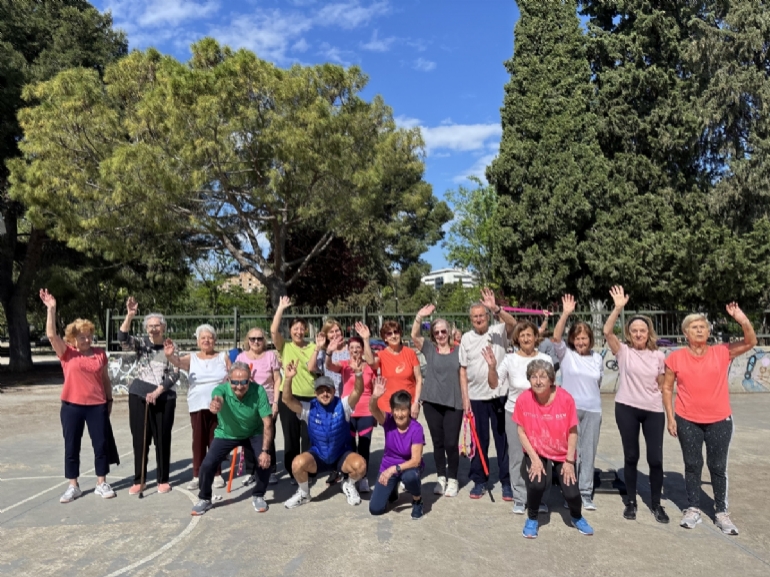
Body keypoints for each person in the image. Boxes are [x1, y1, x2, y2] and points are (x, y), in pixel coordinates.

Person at [662, 303, 756, 535]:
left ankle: (721, 512)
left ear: (709, 331)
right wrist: (670, 418)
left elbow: (751, 342)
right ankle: (693, 508)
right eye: (694, 327)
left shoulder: (721, 352)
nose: (700, 330)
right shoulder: (675, 358)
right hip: (687, 419)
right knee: (692, 465)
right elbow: (666, 389)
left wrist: (742, 319)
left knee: (717, 466)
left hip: (719, 420)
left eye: (703, 326)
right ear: (686, 333)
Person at [40, 289, 116, 503]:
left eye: (89, 334)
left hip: (97, 405)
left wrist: (109, 400)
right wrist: (51, 310)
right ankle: (73, 485)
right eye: (81, 336)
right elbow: (51, 335)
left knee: (100, 444)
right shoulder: (66, 353)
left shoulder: (100, 354)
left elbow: (105, 379)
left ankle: (102, 482)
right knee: (71, 445)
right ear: (73, 339)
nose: (86, 338)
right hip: (71, 406)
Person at [602, 286, 668, 523]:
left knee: (656, 459)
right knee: (631, 457)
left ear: (648, 332)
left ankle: (656, 504)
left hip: (653, 411)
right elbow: (607, 330)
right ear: (629, 333)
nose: (639, 334)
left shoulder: (659, 356)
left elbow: (661, 384)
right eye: (634, 330)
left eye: (642, 330)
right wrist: (618, 307)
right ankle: (630, 501)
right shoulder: (624, 352)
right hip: (626, 408)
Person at [514, 359, 594, 538]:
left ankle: (577, 517)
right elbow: (521, 431)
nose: (538, 381)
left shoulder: (565, 399)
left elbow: (573, 431)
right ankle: (532, 519)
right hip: (537, 449)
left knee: (572, 493)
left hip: (562, 451)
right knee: (536, 483)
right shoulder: (524, 399)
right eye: (533, 377)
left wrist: (569, 460)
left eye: (543, 377)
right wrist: (534, 459)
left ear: (551, 380)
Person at [191, 362, 274, 515]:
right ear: (228, 380)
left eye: (244, 382)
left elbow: (267, 422)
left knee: (265, 462)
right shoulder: (220, 390)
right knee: (207, 465)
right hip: (227, 434)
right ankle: (205, 498)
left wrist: (265, 451)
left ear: (250, 380)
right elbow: (218, 399)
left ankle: (258, 495)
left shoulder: (259, 391)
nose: (239, 386)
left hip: (253, 432)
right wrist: (216, 403)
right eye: (235, 382)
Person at [281, 361, 367, 508]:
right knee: (297, 464)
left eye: (328, 390)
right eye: (320, 391)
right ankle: (304, 493)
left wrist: (358, 374)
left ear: (334, 391)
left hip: (341, 455)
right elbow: (287, 400)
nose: (324, 394)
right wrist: (288, 379)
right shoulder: (309, 408)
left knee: (360, 466)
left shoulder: (343, 405)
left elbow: (357, 392)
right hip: (318, 456)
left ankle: (348, 484)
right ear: (315, 393)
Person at [459, 287, 517, 500]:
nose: (478, 319)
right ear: (471, 319)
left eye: (482, 315)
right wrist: (465, 398)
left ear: (487, 316)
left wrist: (496, 308)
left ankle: (507, 481)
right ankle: (480, 481)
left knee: (503, 441)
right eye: (475, 317)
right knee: (478, 441)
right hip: (476, 397)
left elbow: (513, 324)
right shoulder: (466, 338)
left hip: (500, 395)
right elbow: (463, 370)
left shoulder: (499, 329)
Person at [489, 320, 553, 514]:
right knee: (516, 456)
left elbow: (552, 388)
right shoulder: (509, 360)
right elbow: (494, 384)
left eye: (529, 334)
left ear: (536, 337)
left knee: (543, 456)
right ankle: (519, 496)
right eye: (522, 335)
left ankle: (541, 497)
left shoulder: (545, 359)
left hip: (541, 415)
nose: (526, 338)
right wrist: (491, 367)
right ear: (517, 338)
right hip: (515, 414)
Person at [119, 297, 179, 495]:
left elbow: (175, 372)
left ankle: (163, 479)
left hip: (163, 397)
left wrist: (157, 391)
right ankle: (140, 479)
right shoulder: (141, 344)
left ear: (164, 327)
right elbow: (123, 339)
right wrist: (130, 315)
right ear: (146, 329)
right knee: (140, 439)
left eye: (157, 326)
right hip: (139, 395)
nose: (154, 329)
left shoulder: (171, 346)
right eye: (150, 326)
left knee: (162, 439)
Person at [553, 294, 603, 510]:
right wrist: (565, 313)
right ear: (572, 340)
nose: (581, 342)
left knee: (588, 452)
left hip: (592, 410)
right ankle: (570, 492)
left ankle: (585, 493)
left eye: (585, 338)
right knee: (571, 453)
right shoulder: (566, 355)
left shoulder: (597, 358)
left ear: (590, 339)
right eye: (578, 338)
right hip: (569, 411)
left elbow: (597, 384)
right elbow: (555, 337)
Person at [165, 324, 230, 490]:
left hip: (219, 405)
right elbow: (177, 362)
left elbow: (232, 377)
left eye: (210, 337)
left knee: (216, 441)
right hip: (197, 404)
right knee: (198, 441)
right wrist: (171, 355)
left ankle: (216, 474)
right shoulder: (191, 357)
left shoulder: (223, 356)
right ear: (198, 341)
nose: (206, 340)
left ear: (215, 340)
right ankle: (197, 474)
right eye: (203, 338)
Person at [411, 304, 465, 497]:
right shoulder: (429, 349)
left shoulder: (460, 351)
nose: (441, 334)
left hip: (453, 403)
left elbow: (464, 377)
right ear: (433, 335)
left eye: (443, 331)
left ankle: (453, 478)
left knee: (451, 443)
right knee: (438, 442)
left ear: (449, 332)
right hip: (432, 402)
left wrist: (466, 402)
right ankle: (441, 477)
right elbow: (414, 336)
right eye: (437, 332)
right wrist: (420, 315)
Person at [271, 296, 321, 483]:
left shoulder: (314, 347)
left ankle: (307, 468)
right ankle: (293, 472)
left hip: (310, 397)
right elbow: (273, 330)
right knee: (290, 437)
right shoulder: (285, 346)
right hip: (289, 397)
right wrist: (281, 308)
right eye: (295, 328)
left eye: (302, 328)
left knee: (309, 437)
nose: (299, 331)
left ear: (306, 330)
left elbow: (314, 367)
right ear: (290, 331)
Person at [368, 379, 427, 519]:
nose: (400, 414)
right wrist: (375, 396)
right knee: (375, 509)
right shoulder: (388, 421)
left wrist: (394, 470)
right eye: (396, 410)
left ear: (409, 410)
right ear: (392, 410)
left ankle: (417, 500)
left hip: (408, 468)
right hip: (388, 466)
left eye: (403, 410)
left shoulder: (416, 429)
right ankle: (392, 489)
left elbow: (416, 460)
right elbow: (373, 409)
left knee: (410, 477)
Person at [325, 334, 376, 492]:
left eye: (358, 347)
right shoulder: (344, 365)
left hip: (366, 411)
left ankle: (363, 478)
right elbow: (328, 366)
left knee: (365, 445)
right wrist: (329, 352)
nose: (355, 350)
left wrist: (375, 411)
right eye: (352, 347)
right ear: (348, 350)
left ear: (362, 350)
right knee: (350, 446)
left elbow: (374, 390)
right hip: (348, 411)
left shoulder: (369, 366)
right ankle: (350, 476)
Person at [236, 327, 282, 485]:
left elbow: (277, 380)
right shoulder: (241, 357)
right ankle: (251, 471)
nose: (256, 342)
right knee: (249, 436)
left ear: (265, 340)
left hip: (267, 402)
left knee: (268, 436)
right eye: (253, 339)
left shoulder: (270, 356)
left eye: (259, 338)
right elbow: (235, 380)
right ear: (248, 341)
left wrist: (276, 402)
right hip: (247, 403)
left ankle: (271, 469)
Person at [359, 320, 422, 419]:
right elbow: (371, 362)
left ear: (400, 333)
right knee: (391, 434)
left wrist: (416, 402)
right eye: (389, 333)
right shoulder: (382, 355)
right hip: (387, 406)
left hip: (408, 405)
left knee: (409, 434)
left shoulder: (410, 353)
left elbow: (419, 379)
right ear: (385, 338)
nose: (393, 336)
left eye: (396, 332)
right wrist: (366, 340)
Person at [308, 318, 349, 396]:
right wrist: (318, 347)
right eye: (331, 332)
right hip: (331, 396)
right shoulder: (323, 352)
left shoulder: (349, 349)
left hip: (348, 395)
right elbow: (311, 368)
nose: (335, 334)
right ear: (326, 336)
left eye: (337, 331)